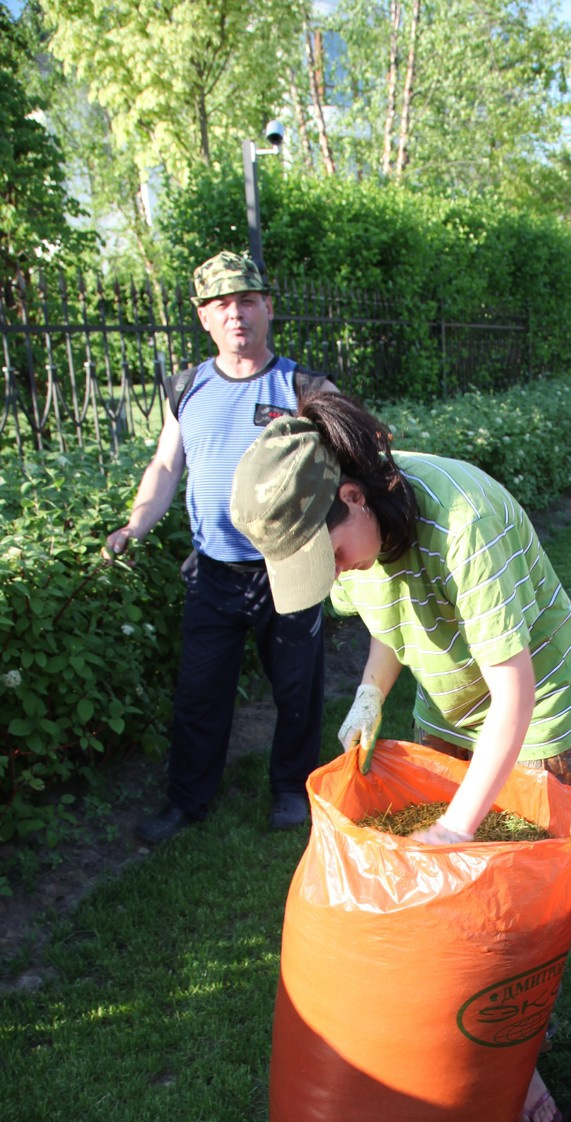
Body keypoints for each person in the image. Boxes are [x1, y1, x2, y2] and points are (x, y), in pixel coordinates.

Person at [229, 388, 571, 1122]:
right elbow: (388, 614)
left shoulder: (463, 523)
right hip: (449, 702)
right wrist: (370, 694)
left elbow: (515, 694)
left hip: (533, 710)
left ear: (353, 498)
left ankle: (516, 1053)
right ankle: (455, 1035)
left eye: (330, 557)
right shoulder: (360, 528)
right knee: (452, 905)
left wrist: (457, 828)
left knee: (509, 899)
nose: (334, 575)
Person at [105, 251, 335, 843]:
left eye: (247, 301)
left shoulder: (304, 386)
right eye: (222, 304)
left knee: (297, 689)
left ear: (268, 309)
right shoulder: (187, 387)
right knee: (199, 694)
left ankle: (291, 789)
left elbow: (352, 458)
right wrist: (135, 525)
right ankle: (187, 801)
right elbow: (166, 465)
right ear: (203, 316)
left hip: (287, 568)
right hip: (213, 573)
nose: (237, 314)